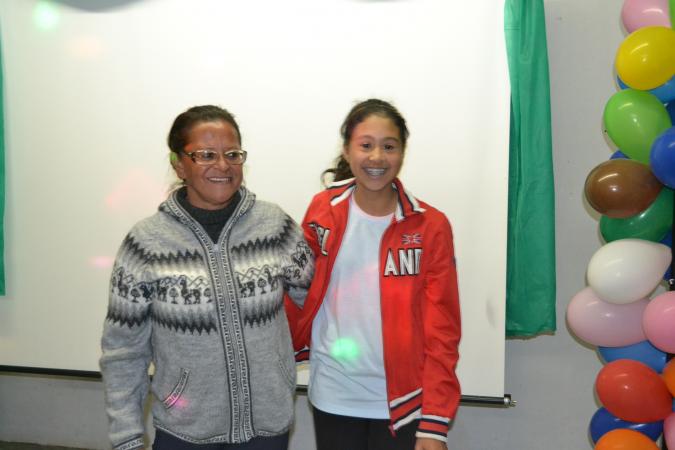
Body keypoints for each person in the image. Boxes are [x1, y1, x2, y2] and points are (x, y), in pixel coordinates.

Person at [100, 105, 314, 450]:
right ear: (179, 164)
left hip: (267, 428)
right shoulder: (145, 244)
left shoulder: (275, 227)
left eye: (233, 154)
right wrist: (127, 437)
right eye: (206, 155)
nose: (223, 166)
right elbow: (124, 350)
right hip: (183, 430)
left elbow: (318, 303)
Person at [287, 99, 461, 450]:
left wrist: (435, 424)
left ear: (403, 152)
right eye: (366, 145)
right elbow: (300, 289)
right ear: (347, 150)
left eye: (389, 146)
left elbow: (442, 328)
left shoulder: (430, 225)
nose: (377, 157)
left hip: (404, 401)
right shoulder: (323, 209)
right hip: (334, 392)